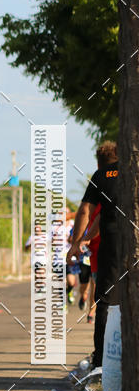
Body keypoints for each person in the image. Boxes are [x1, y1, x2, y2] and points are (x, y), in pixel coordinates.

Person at [67, 141, 118, 369]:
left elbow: (87, 210)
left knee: (105, 302)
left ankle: (101, 362)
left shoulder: (101, 175)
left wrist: (77, 243)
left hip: (114, 246)